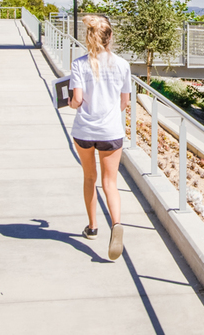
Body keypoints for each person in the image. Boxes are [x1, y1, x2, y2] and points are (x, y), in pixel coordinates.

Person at [68, 14, 132, 261]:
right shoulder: (123, 65)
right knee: (110, 183)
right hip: (110, 132)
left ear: (89, 38)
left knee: (89, 178)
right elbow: (124, 102)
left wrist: (72, 103)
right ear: (110, 37)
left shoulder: (79, 64)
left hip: (84, 131)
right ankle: (116, 224)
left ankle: (92, 227)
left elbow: (77, 100)